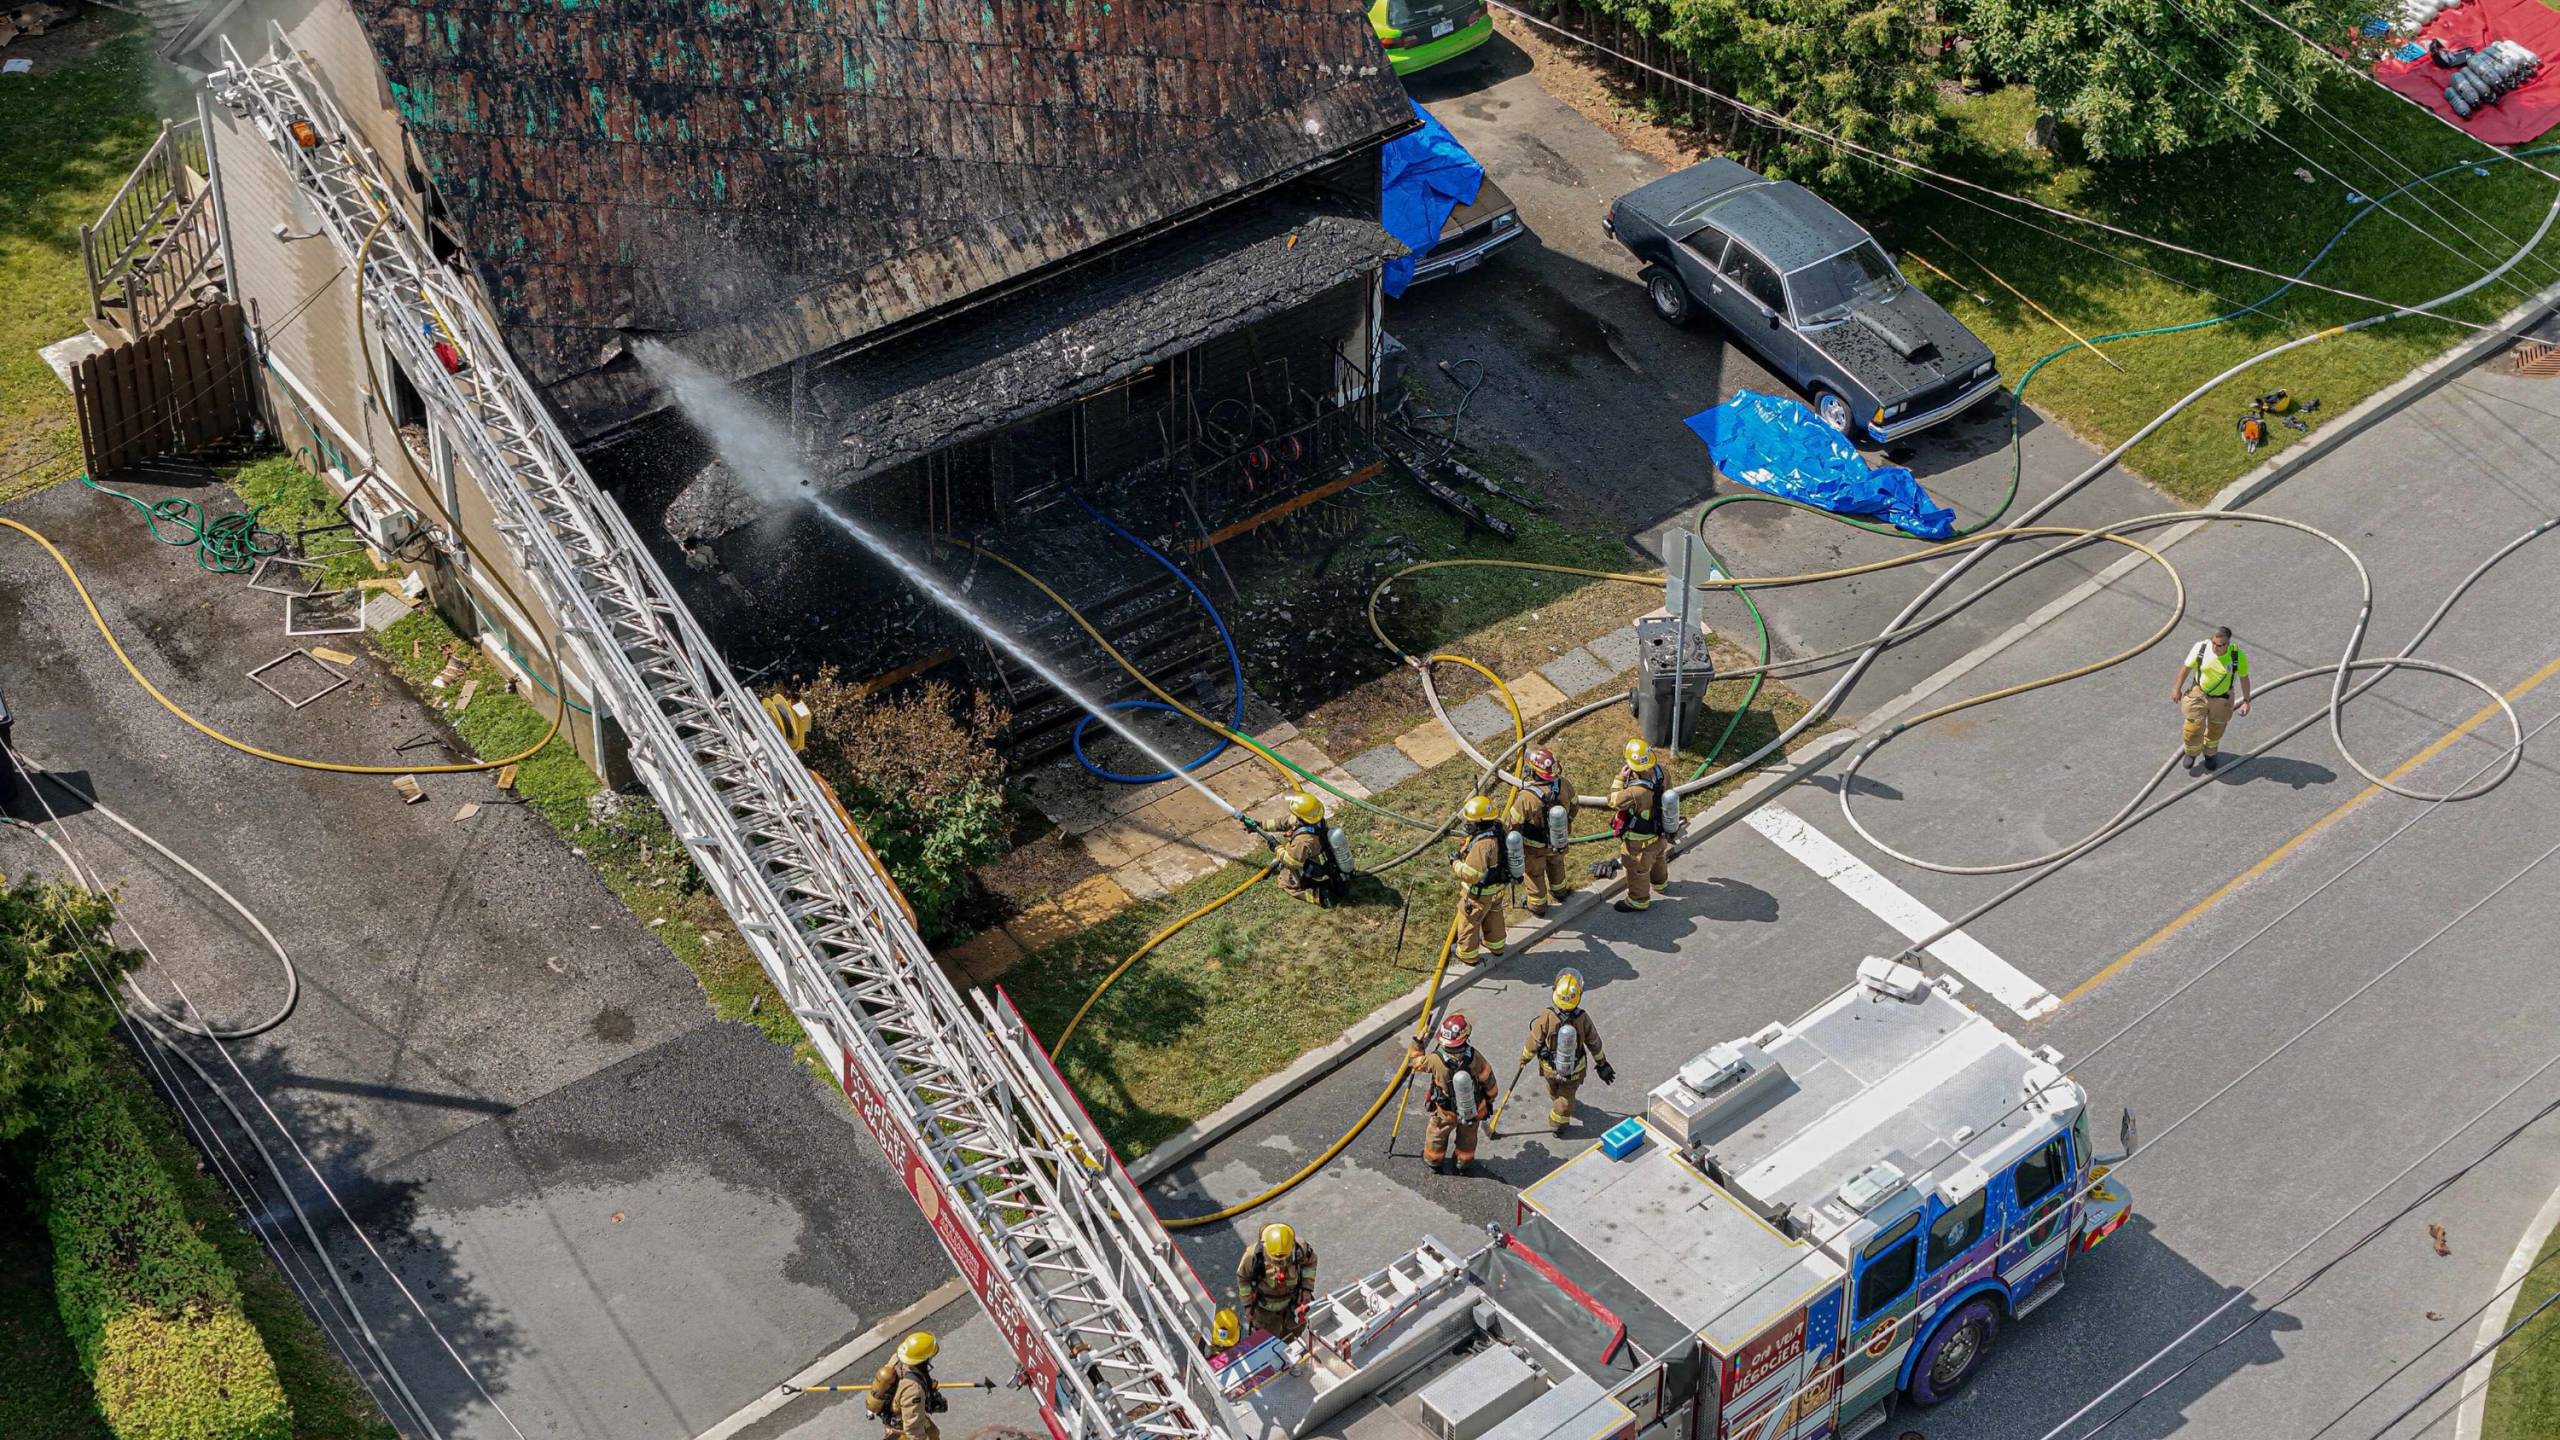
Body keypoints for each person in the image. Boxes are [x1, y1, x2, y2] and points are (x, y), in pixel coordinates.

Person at [1519, 969, 1615, 1134]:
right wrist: (1602, 1064)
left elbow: (1534, 1040)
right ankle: (1561, 1102)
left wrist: (1524, 1059)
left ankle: (1558, 1124)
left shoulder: (1551, 1015)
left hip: (1567, 1071)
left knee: (1563, 1103)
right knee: (1554, 1092)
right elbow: (1594, 1042)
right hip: (1560, 1069)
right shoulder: (1573, 1017)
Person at [1406, 1011, 1498, 1175]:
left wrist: (1418, 1043)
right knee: (1468, 1138)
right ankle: (1463, 1162)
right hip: (1472, 1109)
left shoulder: (1435, 1060)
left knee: (1437, 1134)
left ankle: (1433, 1160)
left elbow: (1414, 1063)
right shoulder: (1475, 1056)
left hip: (1446, 1110)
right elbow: (1488, 1078)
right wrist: (1490, 1098)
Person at [1502, 747, 1576, 916]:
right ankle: (1560, 892)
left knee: (1534, 874)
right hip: (1558, 840)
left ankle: (1537, 905)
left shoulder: (1526, 798)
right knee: (1557, 864)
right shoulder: (1564, 784)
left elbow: (1513, 823)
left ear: (1533, 771)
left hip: (1534, 847)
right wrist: (1567, 823)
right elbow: (1575, 805)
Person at [2172, 625, 2252, 773]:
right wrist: (2177, 689)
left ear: (2228, 644)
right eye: (2214, 643)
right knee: (2192, 729)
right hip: (2199, 693)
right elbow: (2186, 668)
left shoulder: (2237, 656)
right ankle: (2192, 752)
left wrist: (2246, 700)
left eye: (2220, 645)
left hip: (2222, 699)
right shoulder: (2200, 648)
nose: (2216, 648)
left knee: (2216, 729)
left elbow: (2244, 679)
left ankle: (2210, 755)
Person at [1608, 739, 1673, 912]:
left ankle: (1638, 900)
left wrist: (1620, 778)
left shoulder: (1634, 792)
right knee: (1659, 858)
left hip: (1639, 843)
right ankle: (1660, 884)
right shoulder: (1662, 773)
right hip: (1659, 834)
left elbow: (1613, 801)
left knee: (1637, 870)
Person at [1450, 793, 1512, 963]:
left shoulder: (1482, 845)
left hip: (1479, 894)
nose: (1467, 825)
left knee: (1469, 920)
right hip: (1498, 888)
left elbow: (1471, 874)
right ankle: (1497, 946)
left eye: (1470, 822)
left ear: (1480, 822)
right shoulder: (1501, 829)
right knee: (1495, 915)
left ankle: (1467, 954)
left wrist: (1454, 862)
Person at [1234, 1222, 1318, 1341]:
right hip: (1265, 1311)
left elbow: (1310, 1263)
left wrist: (1307, 1289)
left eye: (1285, 1259)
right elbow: (1243, 1279)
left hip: (1292, 1305)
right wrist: (1248, 1305)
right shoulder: (1252, 1256)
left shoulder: (1301, 1249)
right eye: (1276, 1261)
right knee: (1266, 1341)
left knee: (1292, 1337)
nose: (1281, 1265)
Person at [1267, 792, 1345, 906]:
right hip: (1319, 856)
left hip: (1314, 867)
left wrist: (1276, 847)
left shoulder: (1303, 841)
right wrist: (1259, 824)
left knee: (1285, 883)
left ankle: (1319, 897)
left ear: (1302, 817)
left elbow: (1292, 862)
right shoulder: (1316, 820)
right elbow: (1283, 822)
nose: (1294, 816)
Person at [867, 1332, 947, 1440]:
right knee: (927, 1434)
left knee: (933, 1432)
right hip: (902, 1426)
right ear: (923, 1360)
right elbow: (912, 1426)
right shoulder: (913, 1390)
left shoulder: (897, 1358)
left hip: (900, 1412)